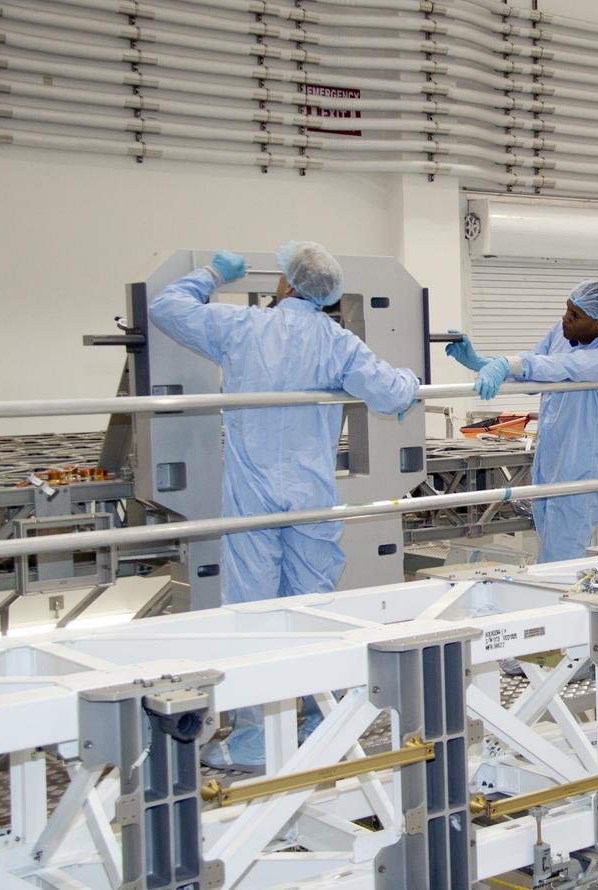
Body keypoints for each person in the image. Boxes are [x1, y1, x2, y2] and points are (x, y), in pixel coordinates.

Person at [149, 242, 420, 769]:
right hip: (309, 493)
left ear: (285, 283)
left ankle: (256, 739)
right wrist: (410, 381)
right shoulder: (338, 342)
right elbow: (392, 395)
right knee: (315, 608)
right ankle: (324, 722)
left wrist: (209, 275)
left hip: (252, 496)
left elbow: (166, 309)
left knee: (253, 615)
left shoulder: (242, 327)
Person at [446, 280, 598, 562]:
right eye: (566, 309)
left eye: (575, 315)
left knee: (558, 562)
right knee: (552, 555)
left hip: (582, 472)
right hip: (549, 464)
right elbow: (535, 368)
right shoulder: (561, 335)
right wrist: (483, 363)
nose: (565, 319)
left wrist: (506, 364)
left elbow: (566, 367)